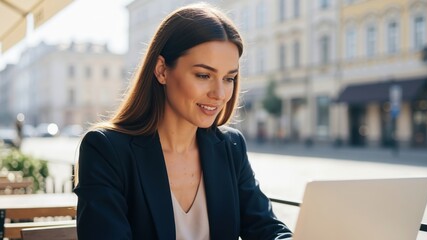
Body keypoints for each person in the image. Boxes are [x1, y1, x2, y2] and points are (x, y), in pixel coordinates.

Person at [74, 3, 292, 240]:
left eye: (229, 78)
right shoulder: (105, 150)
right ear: (162, 70)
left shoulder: (230, 147)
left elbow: (266, 228)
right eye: (203, 75)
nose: (219, 94)